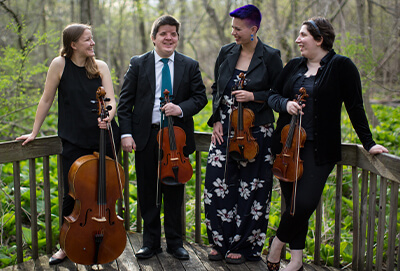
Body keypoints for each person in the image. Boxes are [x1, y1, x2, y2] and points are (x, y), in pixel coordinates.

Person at [266, 17, 388, 271]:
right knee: (292, 203)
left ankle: (277, 243)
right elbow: (272, 96)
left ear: (319, 39)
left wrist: (369, 143)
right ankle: (296, 261)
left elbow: (355, 107)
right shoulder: (293, 66)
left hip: (319, 149)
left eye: (303, 35)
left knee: (305, 203)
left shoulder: (342, 66)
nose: (298, 40)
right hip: (287, 147)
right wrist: (285, 104)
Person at [16, 23, 120, 265]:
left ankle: (105, 239)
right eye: (87, 40)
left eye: (92, 39)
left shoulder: (101, 66)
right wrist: (34, 132)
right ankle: (66, 246)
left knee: (105, 193)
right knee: (73, 195)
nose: (92, 43)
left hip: (103, 137)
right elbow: (46, 99)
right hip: (73, 140)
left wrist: (107, 117)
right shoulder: (59, 64)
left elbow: (112, 100)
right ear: (73, 44)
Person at [117, 15, 207, 260]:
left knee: (175, 192)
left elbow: (200, 98)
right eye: (164, 33)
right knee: (148, 192)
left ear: (177, 37)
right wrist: (126, 133)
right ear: (154, 38)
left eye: (173, 33)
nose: (169, 38)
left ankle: (175, 243)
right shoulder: (138, 64)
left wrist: (180, 109)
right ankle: (150, 242)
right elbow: (125, 104)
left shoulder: (189, 65)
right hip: (147, 137)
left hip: (176, 139)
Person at [204, 5, 283, 264]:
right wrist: (216, 119)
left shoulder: (270, 56)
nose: (233, 32)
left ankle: (244, 246)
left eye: (238, 28)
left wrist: (253, 96)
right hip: (225, 129)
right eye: (232, 28)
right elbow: (217, 87)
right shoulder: (226, 52)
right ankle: (219, 242)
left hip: (257, 132)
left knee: (253, 188)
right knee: (217, 185)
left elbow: (277, 94)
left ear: (253, 29)